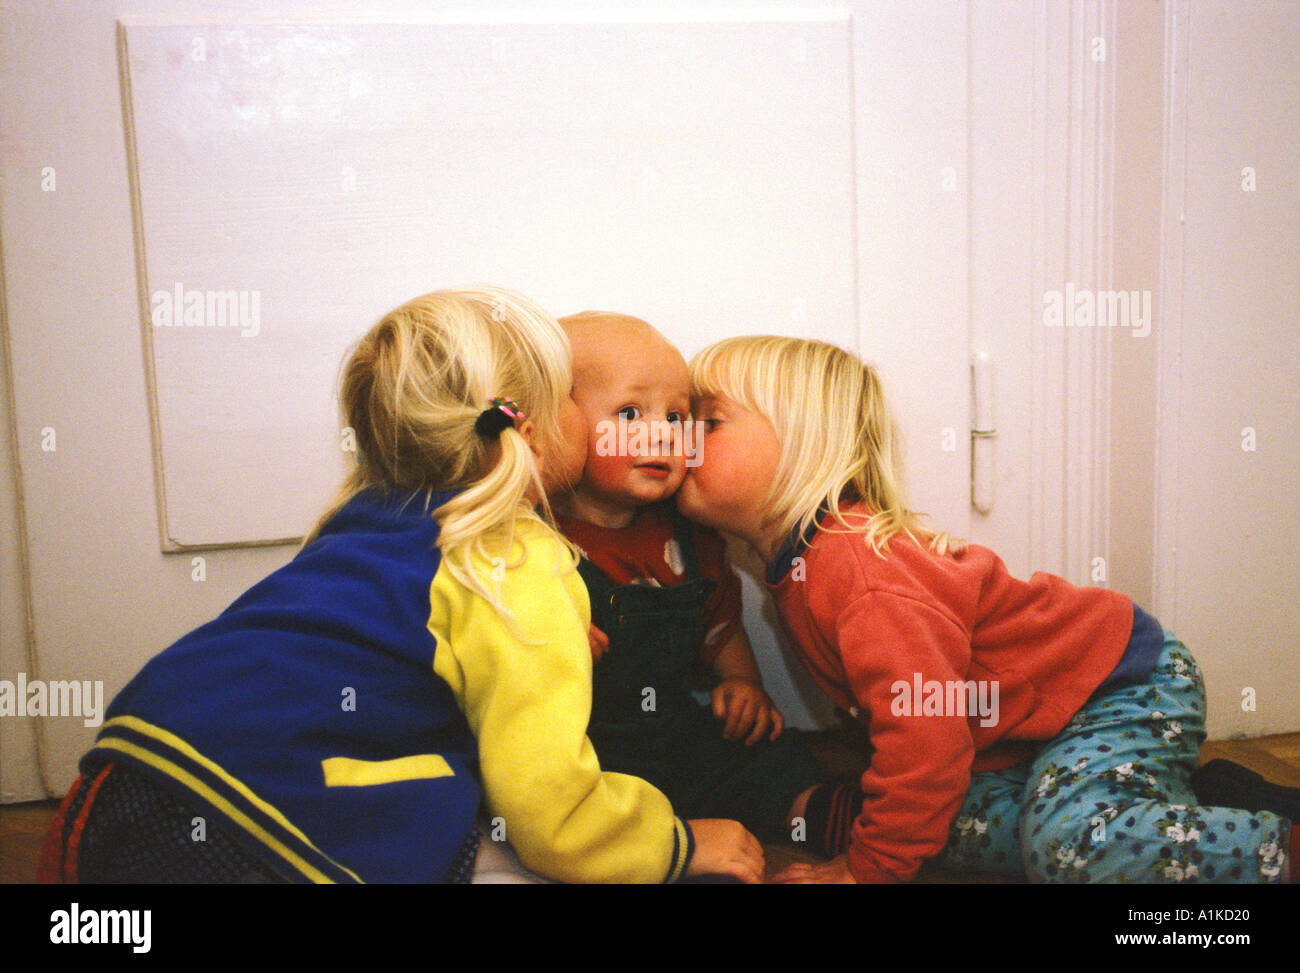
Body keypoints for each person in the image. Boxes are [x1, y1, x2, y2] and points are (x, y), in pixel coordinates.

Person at [36, 287, 763, 885]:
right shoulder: (516, 560)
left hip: (109, 790)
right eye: (574, 395)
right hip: (253, 834)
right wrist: (679, 843)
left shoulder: (368, 519)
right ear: (530, 430)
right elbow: (549, 811)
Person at [675, 333, 1298, 884]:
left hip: (1119, 685)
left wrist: (865, 870)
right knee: (952, 820)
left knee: (1066, 849)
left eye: (710, 421)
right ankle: (1170, 812)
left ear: (803, 447)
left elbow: (926, 737)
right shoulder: (799, 561)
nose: (683, 440)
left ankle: (1277, 849)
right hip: (1030, 728)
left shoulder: (862, 574)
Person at [552, 312, 856, 856]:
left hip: (670, 727)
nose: (662, 434)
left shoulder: (687, 534)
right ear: (560, 423)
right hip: (584, 746)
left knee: (760, 753)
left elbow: (719, 618)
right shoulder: (537, 533)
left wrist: (743, 682)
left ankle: (810, 811)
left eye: (677, 416)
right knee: (548, 786)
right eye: (629, 412)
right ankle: (647, 845)